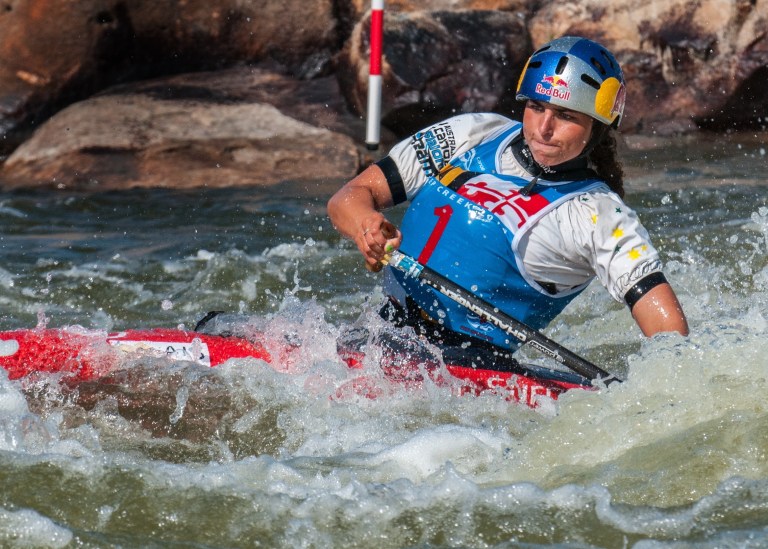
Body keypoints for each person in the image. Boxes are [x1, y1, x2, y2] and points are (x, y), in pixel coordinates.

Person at [327, 36, 688, 370]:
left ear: (597, 126)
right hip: (376, 332)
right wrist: (366, 225)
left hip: (468, 373)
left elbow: (667, 326)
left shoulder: (600, 214)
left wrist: (670, 379)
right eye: (536, 106)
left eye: (565, 116)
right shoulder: (472, 133)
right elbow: (350, 197)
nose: (544, 127)